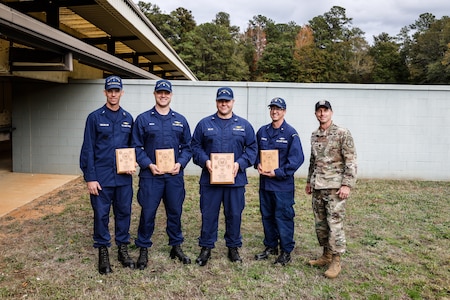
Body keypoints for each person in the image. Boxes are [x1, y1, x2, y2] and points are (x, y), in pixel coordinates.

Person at [191, 87, 257, 266]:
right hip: (210, 180)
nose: (224, 104)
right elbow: (195, 147)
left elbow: (252, 149)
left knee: (234, 214)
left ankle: (233, 247)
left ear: (233, 102)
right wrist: (206, 161)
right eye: (221, 100)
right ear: (216, 102)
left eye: (227, 101)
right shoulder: (204, 124)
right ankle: (206, 247)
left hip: (235, 181)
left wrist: (240, 164)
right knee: (208, 214)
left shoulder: (244, 125)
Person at [132, 79, 192, 270]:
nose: (163, 95)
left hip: (174, 176)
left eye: (166, 93)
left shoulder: (180, 120)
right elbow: (136, 147)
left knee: (175, 212)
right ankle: (143, 248)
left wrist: (180, 163)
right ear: (155, 94)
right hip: (151, 176)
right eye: (160, 92)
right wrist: (148, 164)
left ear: (171, 95)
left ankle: (176, 246)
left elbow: (188, 147)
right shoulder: (142, 119)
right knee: (148, 212)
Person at [80, 75, 135, 275]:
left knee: (124, 213)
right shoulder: (94, 117)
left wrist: (133, 162)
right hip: (101, 178)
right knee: (101, 215)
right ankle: (103, 250)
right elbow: (88, 149)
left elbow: (133, 147)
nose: (113, 94)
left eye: (116, 90)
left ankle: (122, 249)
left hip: (123, 178)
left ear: (122, 92)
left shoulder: (128, 118)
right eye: (110, 90)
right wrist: (90, 178)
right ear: (105, 92)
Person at [305, 100, 357, 279]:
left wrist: (346, 184)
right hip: (318, 185)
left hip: (335, 187)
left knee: (334, 224)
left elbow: (350, 160)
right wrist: (308, 181)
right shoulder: (314, 135)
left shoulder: (342, 133)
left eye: (325, 110)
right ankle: (326, 254)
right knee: (321, 224)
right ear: (315, 114)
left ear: (331, 113)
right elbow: (313, 160)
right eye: (319, 111)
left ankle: (336, 260)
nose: (322, 114)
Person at [254, 97, 305, 266]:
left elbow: (297, 159)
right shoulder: (262, 132)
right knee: (267, 216)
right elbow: (255, 153)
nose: (275, 111)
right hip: (265, 185)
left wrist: (277, 172)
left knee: (283, 217)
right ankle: (270, 246)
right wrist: (258, 164)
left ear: (284, 111)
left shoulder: (291, 133)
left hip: (282, 186)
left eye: (279, 109)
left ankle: (285, 251)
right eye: (272, 108)